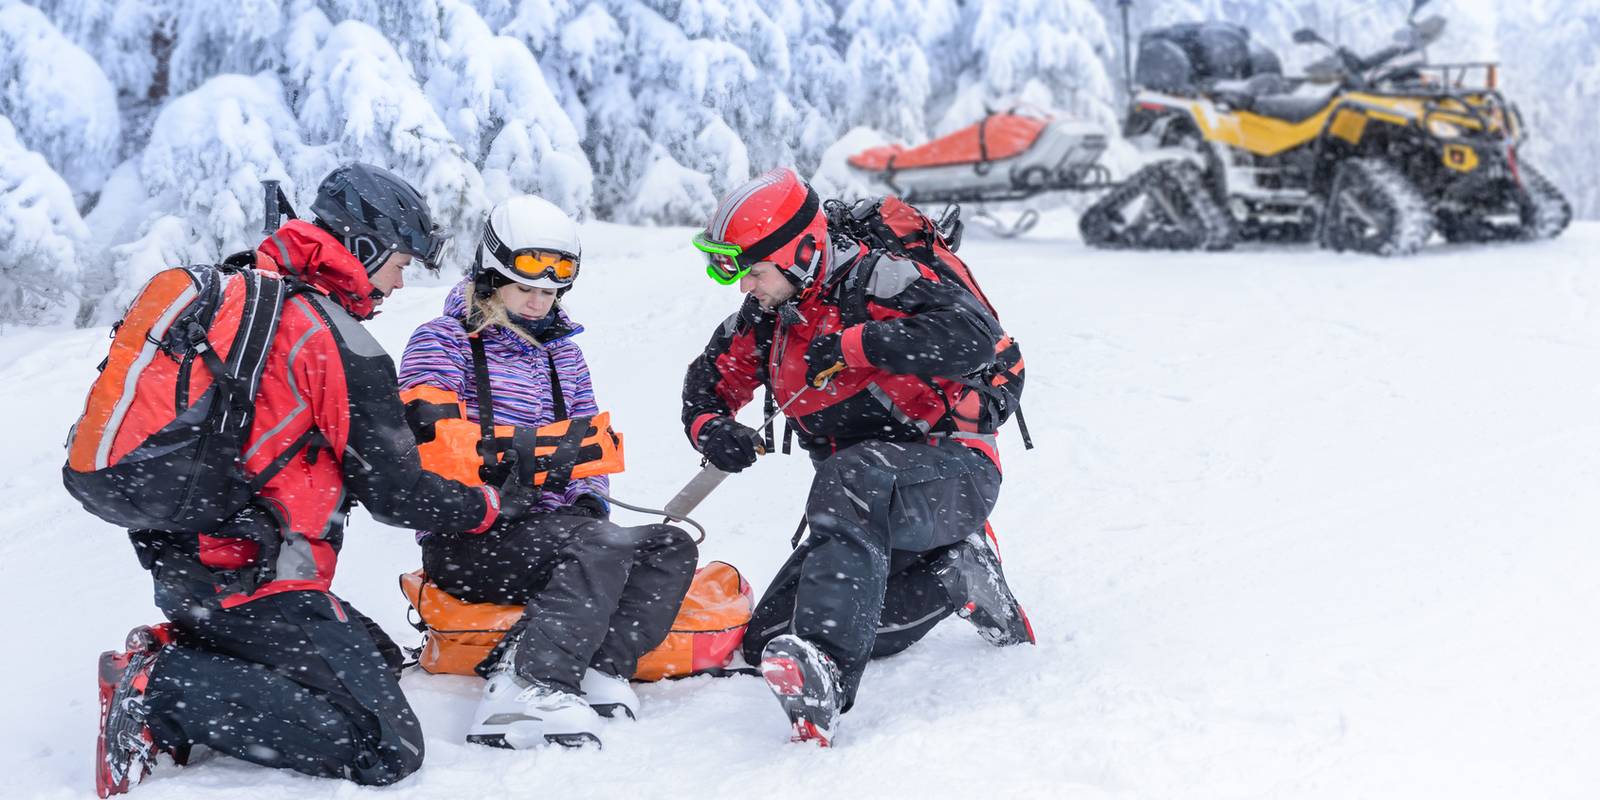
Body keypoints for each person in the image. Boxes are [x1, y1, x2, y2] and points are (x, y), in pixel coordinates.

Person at [94, 163, 539, 796]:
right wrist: (493, 504)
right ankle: (157, 685)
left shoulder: (256, 294)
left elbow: (285, 431)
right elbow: (397, 495)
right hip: (253, 583)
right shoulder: (334, 338)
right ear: (363, 247)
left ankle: (193, 645)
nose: (401, 279)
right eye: (401, 261)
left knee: (381, 659)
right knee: (386, 748)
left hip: (194, 567)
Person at [682, 167, 1035, 746]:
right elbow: (706, 382)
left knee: (853, 475)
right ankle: (951, 577)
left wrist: (855, 345)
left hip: (953, 474)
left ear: (798, 250)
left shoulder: (883, 281)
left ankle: (825, 671)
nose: (745, 286)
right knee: (767, 638)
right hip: (866, 514)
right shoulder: (767, 316)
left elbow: (976, 335)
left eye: (754, 270)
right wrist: (712, 427)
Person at [398, 195, 698, 750]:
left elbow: (589, 450)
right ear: (491, 280)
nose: (539, 302)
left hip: (556, 534)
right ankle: (525, 688)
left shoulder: (564, 356)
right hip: (469, 539)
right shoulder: (443, 343)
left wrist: (586, 500)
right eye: (525, 288)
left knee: (669, 546)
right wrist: (503, 476)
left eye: (550, 290)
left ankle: (598, 667)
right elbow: (427, 445)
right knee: (601, 545)